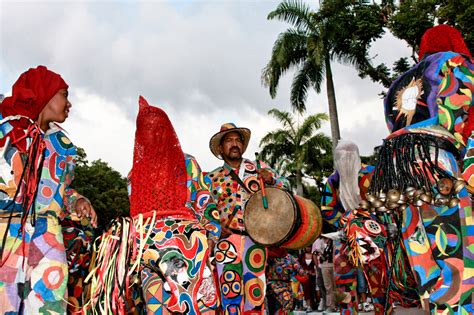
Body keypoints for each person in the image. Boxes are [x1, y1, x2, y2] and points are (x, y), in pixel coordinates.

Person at [369, 24, 473, 314]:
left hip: (398, 174)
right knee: (457, 257)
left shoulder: (399, 83)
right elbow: (463, 117)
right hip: (438, 167)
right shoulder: (455, 64)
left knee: (424, 257)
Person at [84, 97, 221, 314]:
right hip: (150, 251)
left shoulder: (188, 164)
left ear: (168, 130)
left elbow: (205, 201)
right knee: (159, 307)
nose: (153, 134)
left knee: (195, 305)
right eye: (146, 130)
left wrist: (211, 236)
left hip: (186, 247)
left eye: (158, 128)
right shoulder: (134, 175)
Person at [0, 66, 97, 314]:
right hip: (7, 236)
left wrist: (77, 201)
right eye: (64, 94)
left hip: (48, 238)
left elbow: (60, 191)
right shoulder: (6, 131)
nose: (69, 103)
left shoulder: (61, 145)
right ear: (45, 93)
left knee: (49, 304)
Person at [206, 123, 288, 314]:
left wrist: (272, 180)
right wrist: (216, 228)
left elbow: (285, 192)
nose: (234, 144)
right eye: (229, 140)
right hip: (226, 242)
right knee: (229, 294)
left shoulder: (260, 169)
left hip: (256, 241)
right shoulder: (211, 178)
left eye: (238, 140)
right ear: (220, 148)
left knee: (255, 294)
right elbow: (204, 210)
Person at [265, 248, 307, 315]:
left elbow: (300, 271)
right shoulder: (289, 257)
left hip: (278, 287)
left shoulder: (268, 256)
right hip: (277, 287)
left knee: (276, 309)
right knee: (284, 307)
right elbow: (301, 271)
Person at [298, 246, 318, 311]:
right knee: (306, 290)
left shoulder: (313, 255)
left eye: (309, 247)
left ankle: (313, 304)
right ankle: (308, 305)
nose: (308, 248)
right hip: (304, 276)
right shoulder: (302, 255)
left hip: (312, 275)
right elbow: (298, 265)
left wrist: (314, 272)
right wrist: (302, 271)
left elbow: (316, 264)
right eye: (307, 247)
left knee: (312, 290)